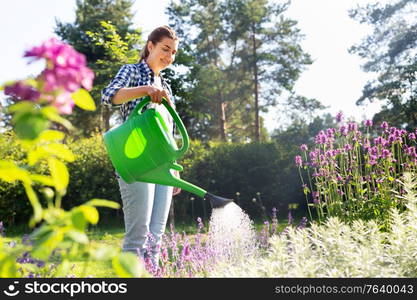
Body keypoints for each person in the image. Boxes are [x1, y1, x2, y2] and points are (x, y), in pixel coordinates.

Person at [101, 25, 180, 267]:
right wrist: (146, 90)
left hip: (163, 165)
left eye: (174, 52)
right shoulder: (133, 71)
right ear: (150, 46)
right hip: (136, 162)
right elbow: (109, 96)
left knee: (155, 239)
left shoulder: (166, 87)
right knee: (137, 238)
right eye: (165, 49)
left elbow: (170, 131)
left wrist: (174, 167)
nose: (169, 56)